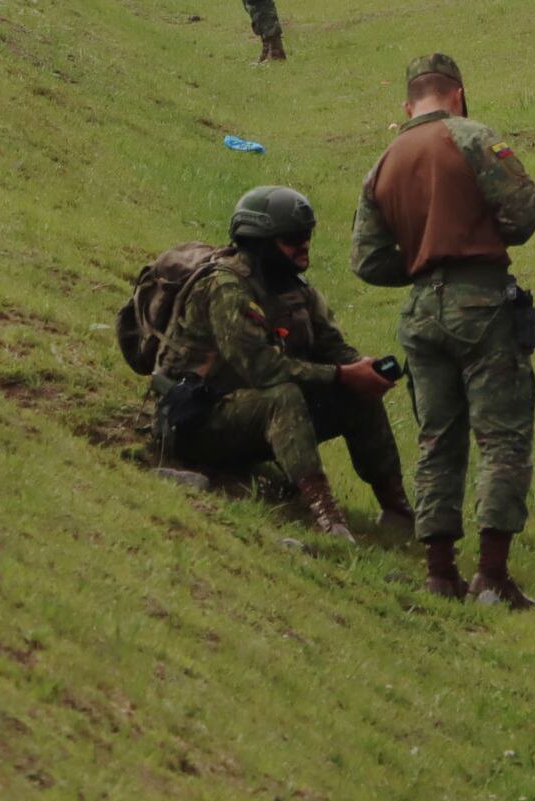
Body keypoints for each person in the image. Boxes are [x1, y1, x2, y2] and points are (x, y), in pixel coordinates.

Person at [351, 52, 535, 607]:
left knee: (436, 440)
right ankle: (492, 575)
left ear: (409, 104)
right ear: (457, 94)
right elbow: (523, 214)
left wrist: (418, 263)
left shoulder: (384, 161)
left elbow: (365, 260)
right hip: (481, 301)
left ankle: (438, 573)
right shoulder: (473, 136)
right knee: (501, 438)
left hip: (420, 313)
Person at [150, 185, 412, 540]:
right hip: (197, 421)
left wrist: (364, 369)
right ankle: (327, 518)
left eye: (306, 235)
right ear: (260, 242)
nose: (304, 245)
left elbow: (334, 349)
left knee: (356, 393)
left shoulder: (297, 290)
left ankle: (398, 512)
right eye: (292, 238)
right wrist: (340, 376)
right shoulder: (226, 288)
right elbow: (263, 369)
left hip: (251, 420)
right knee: (284, 394)